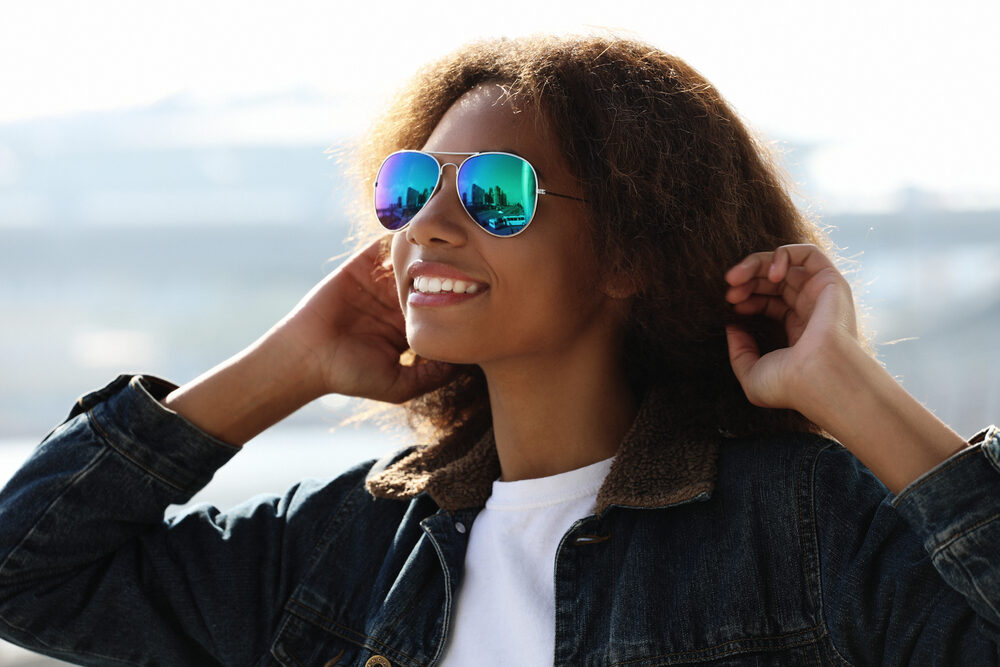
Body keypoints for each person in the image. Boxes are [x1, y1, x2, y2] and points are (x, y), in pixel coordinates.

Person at [0, 33, 996, 666]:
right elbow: (24, 576)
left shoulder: (808, 525)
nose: (426, 226)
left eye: (494, 193)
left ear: (628, 251)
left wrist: (848, 392)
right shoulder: (345, 545)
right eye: (409, 188)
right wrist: (284, 367)